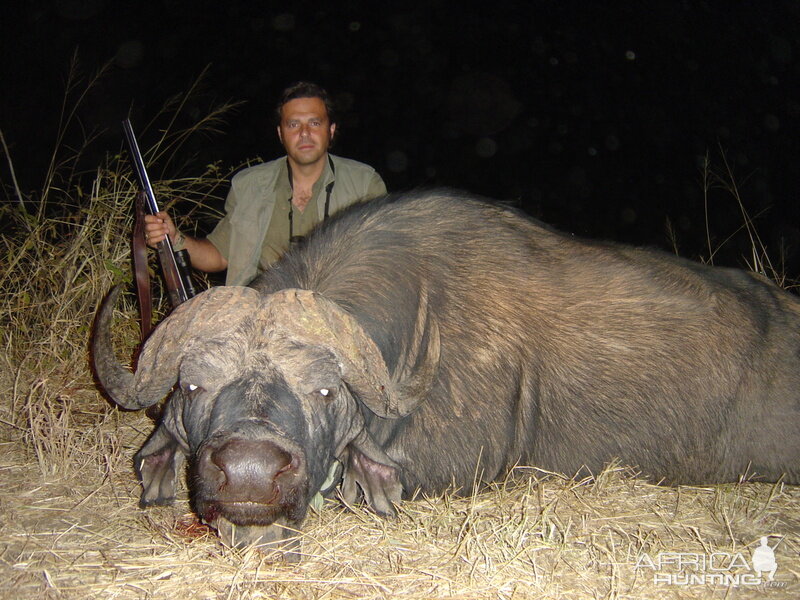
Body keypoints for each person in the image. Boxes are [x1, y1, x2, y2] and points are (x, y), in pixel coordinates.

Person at [144, 82, 387, 285]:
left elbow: (382, 264)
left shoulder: (364, 184)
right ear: (281, 134)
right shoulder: (249, 185)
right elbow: (219, 256)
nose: (304, 133)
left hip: (336, 311)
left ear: (331, 131)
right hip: (261, 315)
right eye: (293, 124)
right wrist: (174, 238)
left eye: (314, 123)